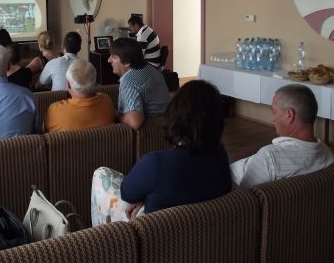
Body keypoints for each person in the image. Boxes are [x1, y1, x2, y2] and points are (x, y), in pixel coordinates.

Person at [91, 80, 232, 226]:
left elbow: (127, 193)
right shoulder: (221, 158)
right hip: (203, 235)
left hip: (154, 236)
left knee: (101, 174)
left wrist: (146, 199)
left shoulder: (156, 164)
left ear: (176, 115)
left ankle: (99, 236)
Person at [230, 84, 334, 188]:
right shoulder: (328, 154)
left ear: (289, 115)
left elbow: (242, 197)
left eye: (274, 112)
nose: (272, 119)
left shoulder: (270, 157)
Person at [108, 38, 170, 130]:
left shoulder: (129, 82)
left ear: (127, 62)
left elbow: (134, 122)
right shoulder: (152, 70)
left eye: (114, 57)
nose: (109, 60)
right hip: (166, 126)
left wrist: (116, 115)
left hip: (147, 132)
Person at [45, 60, 115, 133]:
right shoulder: (106, 101)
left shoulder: (54, 111)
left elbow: (45, 131)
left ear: (68, 85)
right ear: (95, 83)